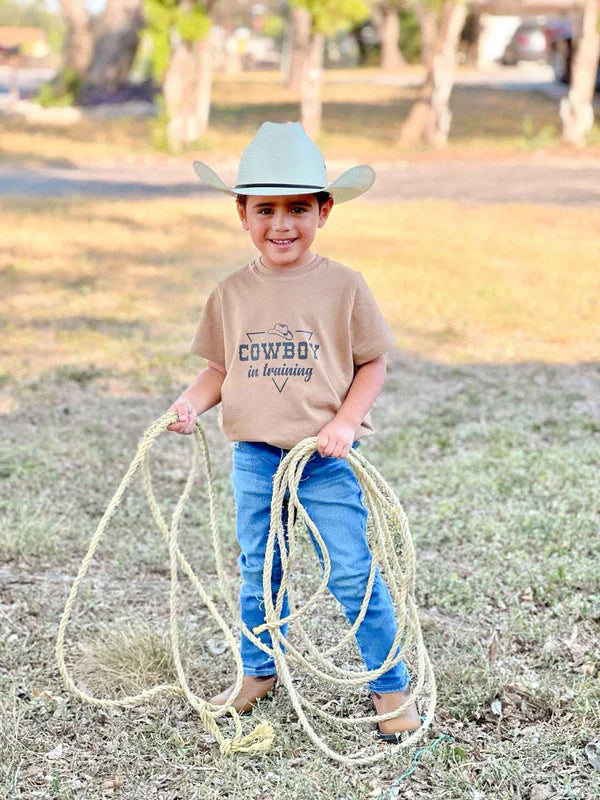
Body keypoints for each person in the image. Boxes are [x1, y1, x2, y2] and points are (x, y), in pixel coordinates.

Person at [166, 121, 420, 740]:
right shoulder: (230, 294)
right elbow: (220, 369)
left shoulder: (344, 286)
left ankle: (390, 687)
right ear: (242, 214)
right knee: (260, 567)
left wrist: (345, 421)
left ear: (324, 210)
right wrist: (189, 404)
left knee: (352, 571)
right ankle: (259, 670)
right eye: (266, 209)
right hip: (255, 457)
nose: (282, 224)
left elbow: (372, 362)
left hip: (324, 459)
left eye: (298, 209)